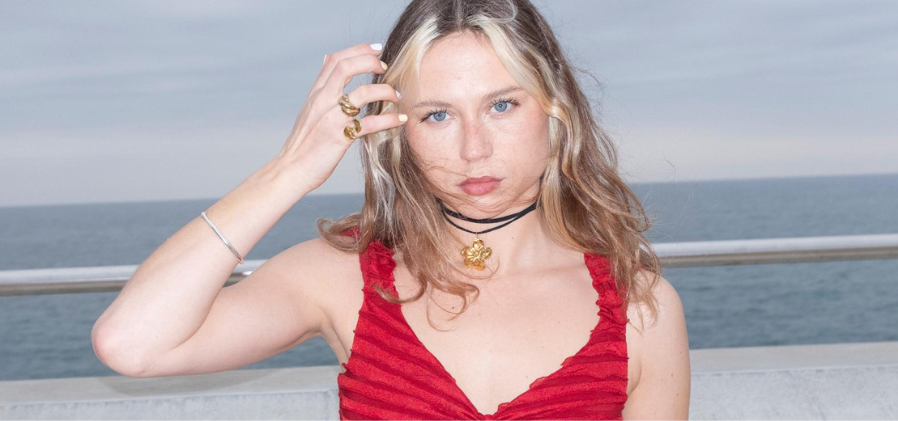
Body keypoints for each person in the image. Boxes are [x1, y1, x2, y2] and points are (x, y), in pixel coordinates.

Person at [92, 0, 690, 419]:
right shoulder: (340, 276)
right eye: (437, 115)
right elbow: (133, 344)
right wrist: (292, 167)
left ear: (554, 108)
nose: (473, 148)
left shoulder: (640, 308)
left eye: (502, 106)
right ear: (399, 131)